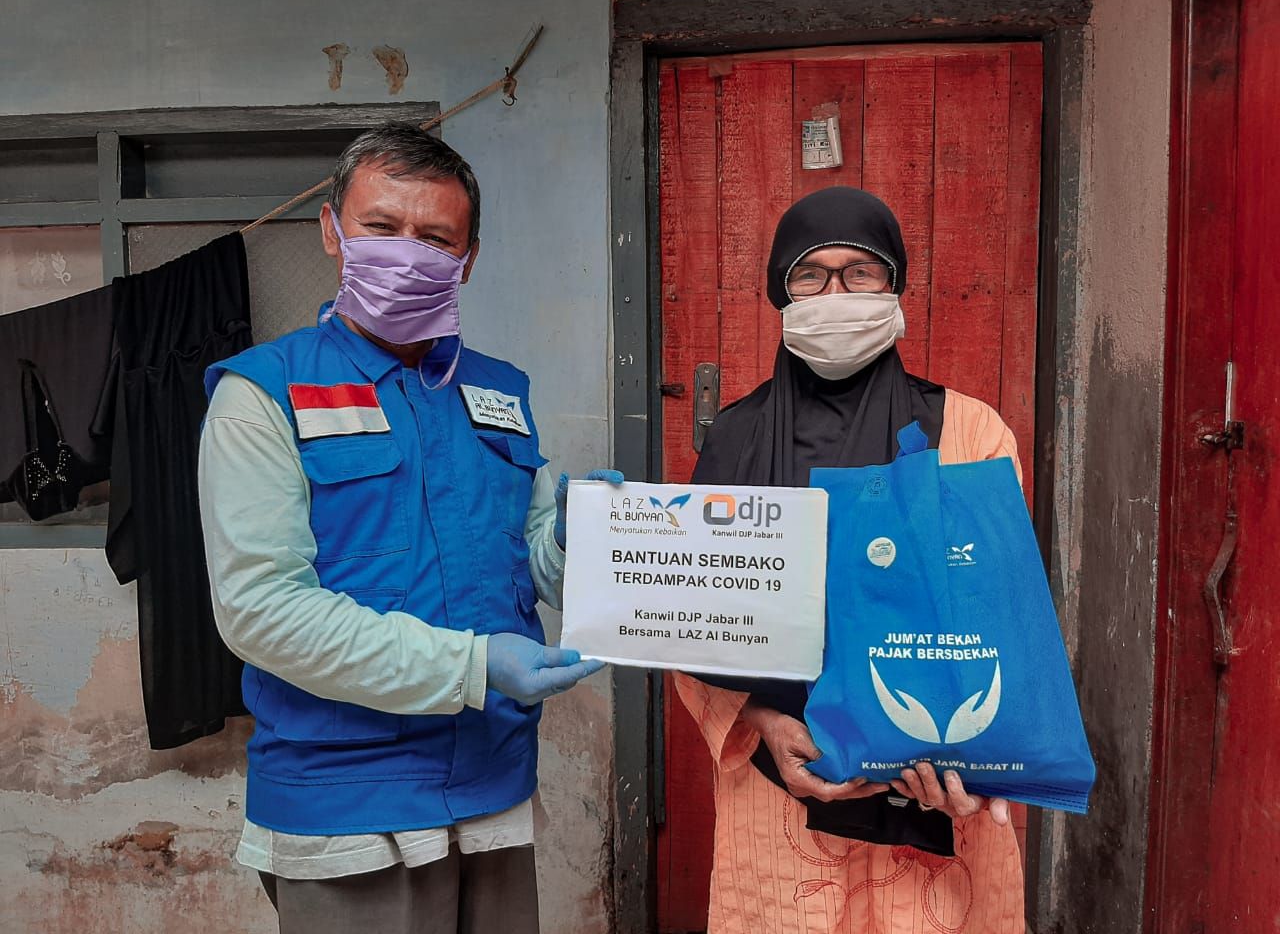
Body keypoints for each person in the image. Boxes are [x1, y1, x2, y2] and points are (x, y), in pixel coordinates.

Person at [198, 122, 617, 934]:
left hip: (493, 786)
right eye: (381, 227)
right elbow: (261, 610)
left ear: (469, 258)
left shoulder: (498, 391)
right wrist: (474, 664)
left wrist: (577, 541)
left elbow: (532, 569)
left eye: (435, 238)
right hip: (349, 805)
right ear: (332, 230)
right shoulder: (264, 393)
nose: (406, 253)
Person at [677, 187, 1025, 933]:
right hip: (780, 802)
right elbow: (695, 622)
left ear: (895, 284)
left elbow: (1004, 615)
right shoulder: (734, 441)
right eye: (811, 274)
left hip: (938, 791)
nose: (836, 293)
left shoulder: (970, 432)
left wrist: (974, 754)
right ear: (781, 291)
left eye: (861, 271)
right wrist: (766, 724)